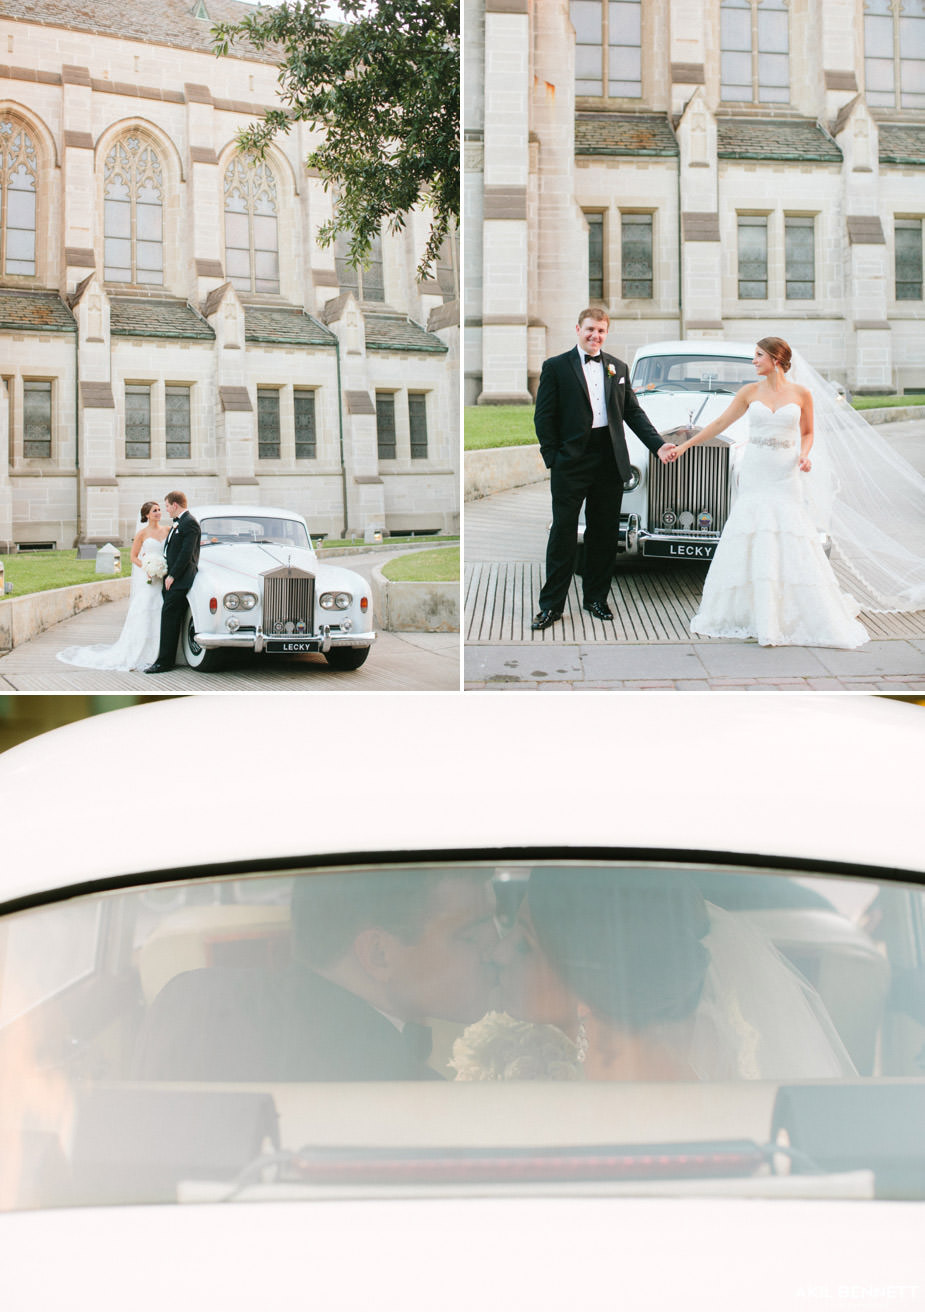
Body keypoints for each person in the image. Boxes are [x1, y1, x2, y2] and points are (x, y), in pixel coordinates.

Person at [134, 868, 500, 1082]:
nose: (497, 949)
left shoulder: (191, 999)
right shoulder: (415, 1097)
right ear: (379, 953)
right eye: (469, 935)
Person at [494, 866, 855, 1082]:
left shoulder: (643, 1094)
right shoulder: (532, 1059)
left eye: (526, 944)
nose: (499, 952)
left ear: (590, 980)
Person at [668, 337, 869, 648]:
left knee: (788, 532)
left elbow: (807, 431)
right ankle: (750, 610)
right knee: (753, 531)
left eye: (758, 355)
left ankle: (788, 610)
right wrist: (685, 446)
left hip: (785, 472)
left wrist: (804, 454)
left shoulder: (802, 394)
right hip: (756, 471)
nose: (754, 361)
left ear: (776, 359)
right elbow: (720, 422)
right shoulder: (750, 392)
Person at [531, 308, 677, 631]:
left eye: (600, 331)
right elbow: (543, 417)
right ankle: (551, 605)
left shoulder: (617, 368)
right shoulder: (555, 367)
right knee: (564, 533)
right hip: (570, 463)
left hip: (609, 462)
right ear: (578, 329)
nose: (595, 335)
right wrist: (553, 457)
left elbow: (633, 414)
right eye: (590, 329)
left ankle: (596, 598)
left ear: (606, 333)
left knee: (604, 534)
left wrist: (658, 444)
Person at [57, 500, 170, 672]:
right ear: (147, 515)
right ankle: (142, 652)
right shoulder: (142, 534)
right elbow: (133, 557)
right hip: (150, 579)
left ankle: (163, 652)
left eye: (160, 510)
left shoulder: (167, 530)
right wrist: (147, 567)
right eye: (155, 510)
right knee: (147, 610)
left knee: (162, 611)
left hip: (163, 576)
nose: (158, 512)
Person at [145, 490, 200, 673]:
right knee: (169, 616)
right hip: (173, 579)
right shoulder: (179, 523)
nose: (166, 510)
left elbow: (186, 554)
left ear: (175, 505)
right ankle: (167, 658)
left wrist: (172, 575)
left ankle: (164, 662)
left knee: (169, 617)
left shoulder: (189, 523)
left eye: (167, 506)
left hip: (181, 579)